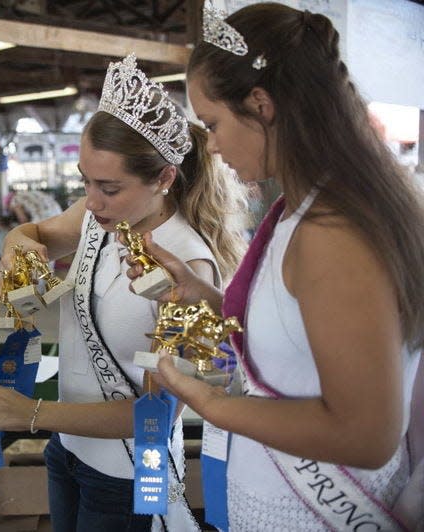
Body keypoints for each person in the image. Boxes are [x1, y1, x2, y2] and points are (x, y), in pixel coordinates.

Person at [129, 3, 424, 531]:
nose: (213, 146)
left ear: (260, 104)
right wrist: (206, 296)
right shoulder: (306, 208)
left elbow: (366, 434)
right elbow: (302, 341)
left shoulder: (334, 231)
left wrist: (207, 402)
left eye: (214, 123)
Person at [0, 54, 247, 531]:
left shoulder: (189, 265)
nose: (91, 201)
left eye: (109, 187)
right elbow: (35, 232)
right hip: (68, 448)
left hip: (134, 471)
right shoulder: (102, 215)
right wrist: (18, 251)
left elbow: (157, 411)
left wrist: (32, 413)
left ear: (163, 178)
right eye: (85, 182)